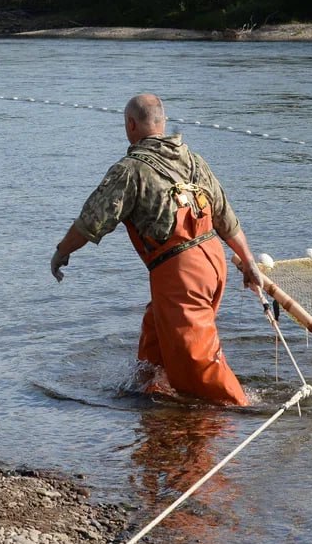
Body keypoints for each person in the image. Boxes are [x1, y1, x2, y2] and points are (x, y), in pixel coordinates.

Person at [50, 93, 261, 406]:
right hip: (214, 262)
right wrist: (249, 264)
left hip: (181, 272)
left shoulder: (130, 170)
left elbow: (92, 220)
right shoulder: (194, 161)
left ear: (131, 125)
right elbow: (226, 219)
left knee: (198, 361)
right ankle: (152, 392)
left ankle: (238, 410)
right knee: (157, 331)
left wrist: (61, 252)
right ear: (162, 124)